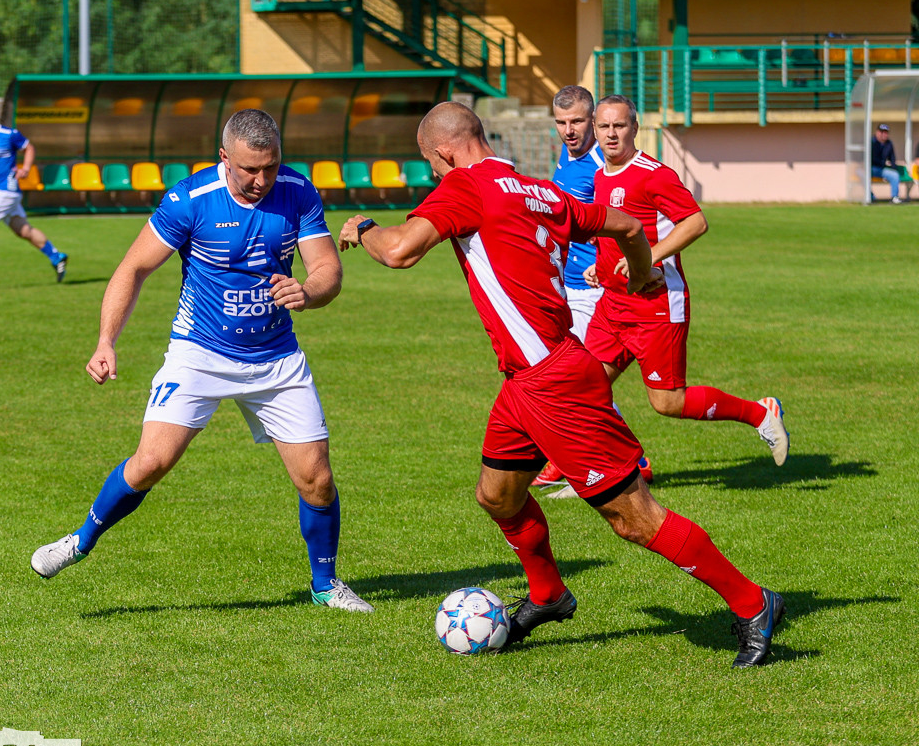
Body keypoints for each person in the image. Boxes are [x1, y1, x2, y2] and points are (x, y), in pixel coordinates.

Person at [337, 101, 784, 667]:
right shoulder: (537, 190)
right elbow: (623, 225)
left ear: (445, 152)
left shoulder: (466, 186)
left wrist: (364, 227)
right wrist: (641, 270)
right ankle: (549, 595)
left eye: (431, 164)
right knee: (497, 494)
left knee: (633, 516)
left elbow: (400, 251)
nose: (432, 175)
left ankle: (752, 603)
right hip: (528, 381)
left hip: (554, 383)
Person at [30, 109, 373, 613]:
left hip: (276, 357)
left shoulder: (297, 191)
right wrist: (106, 341)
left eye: (271, 167)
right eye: (250, 169)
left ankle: (325, 585)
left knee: (316, 477)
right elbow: (134, 269)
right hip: (199, 353)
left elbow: (327, 268)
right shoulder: (189, 199)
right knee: (151, 463)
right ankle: (80, 540)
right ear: (223, 159)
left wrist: (308, 290)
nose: (262, 180)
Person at [584, 95, 789, 467]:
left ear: (635, 127)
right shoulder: (600, 175)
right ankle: (613, 472)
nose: (611, 134)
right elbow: (620, 232)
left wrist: (650, 260)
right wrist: (601, 264)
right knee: (584, 389)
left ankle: (760, 414)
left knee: (668, 402)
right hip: (612, 306)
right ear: (594, 129)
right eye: (604, 126)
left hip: (657, 304)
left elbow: (695, 222)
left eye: (619, 126)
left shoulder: (653, 174)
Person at [535, 85, 652, 494]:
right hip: (565, 284)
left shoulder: (607, 162)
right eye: (561, 122)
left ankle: (614, 462)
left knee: (579, 380)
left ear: (594, 120)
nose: (569, 130)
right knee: (570, 378)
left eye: (578, 122)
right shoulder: (568, 156)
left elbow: (632, 224)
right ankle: (582, 461)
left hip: (596, 290)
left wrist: (609, 267)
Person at [0, 101, 68, 283]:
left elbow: (29, 147)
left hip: (5, 188)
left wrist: (26, 168)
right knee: (23, 230)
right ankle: (56, 256)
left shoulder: (8, 134)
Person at [870, 124, 905, 204]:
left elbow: (892, 158)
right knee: (861, 174)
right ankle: (870, 195)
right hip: (870, 168)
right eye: (882, 132)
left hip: (882, 169)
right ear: (877, 132)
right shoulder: (872, 142)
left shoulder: (889, 144)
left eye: (886, 132)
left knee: (894, 175)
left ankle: (894, 197)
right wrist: (883, 163)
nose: (884, 134)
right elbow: (872, 158)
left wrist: (893, 168)